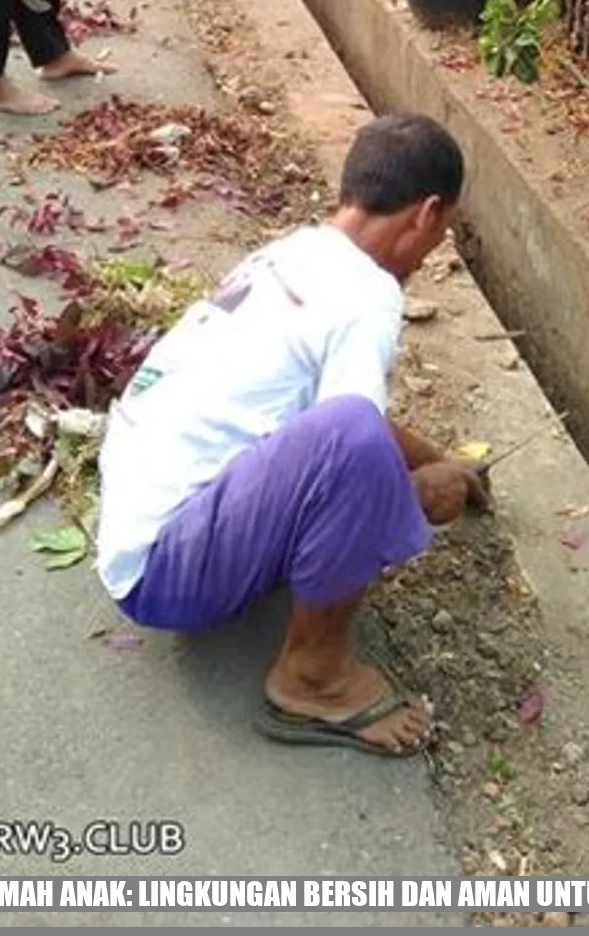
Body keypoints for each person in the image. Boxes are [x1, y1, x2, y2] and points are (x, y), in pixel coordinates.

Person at [95, 112, 489, 757]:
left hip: (140, 531)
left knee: (350, 432)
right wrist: (421, 490)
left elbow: (337, 414)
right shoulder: (370, 296)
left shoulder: (296, 252)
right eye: (439, 234)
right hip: (166, 573)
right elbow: (352, 441)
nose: (431, 249)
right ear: (425, 215)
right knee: (355, 445)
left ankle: (302, 630)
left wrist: (443, 460)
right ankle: (313, 677)